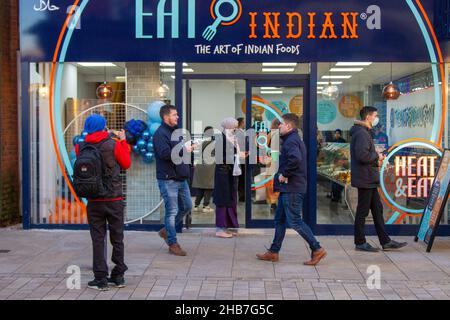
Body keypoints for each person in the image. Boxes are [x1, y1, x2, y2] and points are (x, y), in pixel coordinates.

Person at [257, 113, 327, 266]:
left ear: (289, 126)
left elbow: (295, 159)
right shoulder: (292, 139)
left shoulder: (291, 141)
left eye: (281, 124)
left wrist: (284, 174)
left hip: (292, 187)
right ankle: (273, 252)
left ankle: (317, 248)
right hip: (289, 187)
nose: (279, 126)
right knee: (280, 219)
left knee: (294, 220)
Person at [75, 114, 131, 291]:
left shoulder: (81, 147)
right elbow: (126, 163)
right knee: (117, 237)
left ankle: (100, 279)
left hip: (94, 199)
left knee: (98, 239)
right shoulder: (113, 144)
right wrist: (122, 141)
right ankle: (118, 276)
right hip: (114, 199)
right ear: (104, 126)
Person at [350, 106, 407, 252]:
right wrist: (377, 156)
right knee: (363, 211)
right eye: (375, 116)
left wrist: (375, 155)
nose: (376, 119)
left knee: (377, 209)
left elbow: (365, 154)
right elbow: (362, 156)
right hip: (365, 178)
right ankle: (360, 242)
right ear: (368, 117)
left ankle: (385, 241)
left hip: (368, 178)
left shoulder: (363, 132)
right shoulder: (362, 133)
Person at [154, 105, 195, 256]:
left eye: (177, 114)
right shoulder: (160, 134)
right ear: (166, 117)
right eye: (174, 115)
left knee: (187, 206)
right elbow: (165, 154)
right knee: (172, 211)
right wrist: (184, 150)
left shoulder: (176, 132)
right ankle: (172, 243)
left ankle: (166, 230)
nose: (177, 117)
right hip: (168, 179)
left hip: (180, 177)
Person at [214, 117, 242, 238]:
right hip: (223, 174)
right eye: (234, 127)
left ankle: (228, 226)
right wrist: (236, 156)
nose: (235, 129)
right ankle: (220, 228)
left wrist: (239, 155)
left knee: (230, 199)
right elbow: (220, 157)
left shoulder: (232, 138)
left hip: (229, 174)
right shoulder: (221, 139)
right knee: (223, 200)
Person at [192, 126, 215, 213]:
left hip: (200, 165)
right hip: (209, 167)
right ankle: (206, 206)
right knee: (208, 187)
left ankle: (196, 205)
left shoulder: (200, 142)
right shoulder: (214, 143)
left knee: (200, 187)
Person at [330, 129, 346, 202]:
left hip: (340, 162)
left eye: (338, 133)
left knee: (338, 181)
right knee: (333, 180)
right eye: (335, 133)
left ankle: (337, 196)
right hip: (334, 161)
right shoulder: (333, 141)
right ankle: (333, 195)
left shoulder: (343, 141)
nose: (336, 135)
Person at [236, 117, 246, 202]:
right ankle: (242, 196)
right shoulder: (239, 133)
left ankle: (242, 195)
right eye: (244, 122)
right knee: (242, 178)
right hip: (242, 159)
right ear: (241, 123)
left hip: (243, 158)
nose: (245, 123)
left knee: (243, 178)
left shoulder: (241, 132)